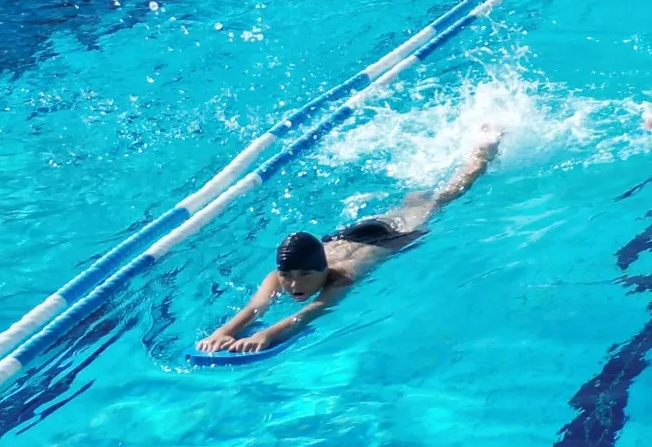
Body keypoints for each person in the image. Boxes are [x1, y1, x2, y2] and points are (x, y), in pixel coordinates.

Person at [197, 131, 500, 355]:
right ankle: (419, 192)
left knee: (442, 200)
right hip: (349, 234)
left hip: (390, 237)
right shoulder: (279, 277)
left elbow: (311, 311)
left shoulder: (342, 277)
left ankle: (482, 154)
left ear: (322, 269)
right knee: (411, 204)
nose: (292, 286)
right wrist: (223, 333)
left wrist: (268, 334)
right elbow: (255, 307)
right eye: (288, 276)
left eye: (304, 276)